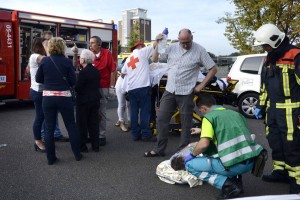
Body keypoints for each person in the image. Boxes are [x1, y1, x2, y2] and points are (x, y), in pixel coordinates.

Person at [144, 28, 218, 157]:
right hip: (170, 89)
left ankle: (182, 151)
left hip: (186, 91)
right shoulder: (172, 47)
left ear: (191, 39)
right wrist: (157, 43)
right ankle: (159, 149)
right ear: (178, 40)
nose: (184, 45)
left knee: (186, 122)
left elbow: (213, 69)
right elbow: (155, 59)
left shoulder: (199, 50)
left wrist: (201, 85)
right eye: (182, 42)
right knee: (161, 119)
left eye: (187, 42)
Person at [182, 94, 263, 199]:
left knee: (190, 165)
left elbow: (204, 145)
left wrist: (192, 155)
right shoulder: (235, 114)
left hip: (233, 165)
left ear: (203, 108)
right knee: (231, 153)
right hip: (250, 161)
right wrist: (202, 131)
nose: (201, 113)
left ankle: (229, 186)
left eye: (201, 111)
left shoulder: (209, 117)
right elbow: (228, 130)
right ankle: (237, 183)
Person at [253, 24, 300, 194]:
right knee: (275, 143)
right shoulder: (269, 59)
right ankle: (281, 172)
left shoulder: (295, 55)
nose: (264, 49)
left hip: (291, 111)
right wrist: (261, 105)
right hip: (272, 111)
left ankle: (297, 180)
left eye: (265, 45)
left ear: (276, 41)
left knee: (292, 146)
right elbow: (264, 86)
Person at [36, 37, 82, 165]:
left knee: (49, 128)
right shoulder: (66, 61)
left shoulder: (45, 61)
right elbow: (73, 81)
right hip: (64, 97)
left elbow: (38, 78)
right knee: (71, 126)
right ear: (62, 47)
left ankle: (51, 158)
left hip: (48, 98)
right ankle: (77, 154)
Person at [73, 36, 116, 146]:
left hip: (102, 86)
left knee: (101, 112)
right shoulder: (88, 54)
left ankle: (101, 136)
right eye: (90, 43)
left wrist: (111, 86)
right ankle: (90, 135)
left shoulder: (107, 54)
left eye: (92, 43)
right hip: (90, 88)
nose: (90, 45)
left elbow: (112, 70)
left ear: (99, 44)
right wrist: (75, 54)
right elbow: (76, 65)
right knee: (89, 113)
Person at [122, 41, 159, 141]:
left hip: (131, 89)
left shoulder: (129, 58)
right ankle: (146, 134)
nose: (144, 47)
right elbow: (155, 44)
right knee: (145, 112)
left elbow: (123, 72)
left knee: (134, 112)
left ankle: (135, 134)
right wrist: (160, 37)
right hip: (143, 87)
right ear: (140, 46)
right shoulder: (142, 52)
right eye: (143, 46)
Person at [41, 30, 69, 142]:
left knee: (53, 114)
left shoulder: (57, 56)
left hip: (53, 91)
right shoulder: (40, 56)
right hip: (46, 90)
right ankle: (44, 136)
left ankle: (56, 134)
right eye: (47, 40)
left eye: (51, 40)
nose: (49, 42)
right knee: (46, 116)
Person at [75, 49, 101, 152]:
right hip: (95, 99)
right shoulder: (96, 71)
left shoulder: (83, 72)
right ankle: (96, 146)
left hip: (84, 101)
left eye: (80, 57)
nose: (79, 59)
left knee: (82, 124)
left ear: (84, 59)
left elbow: (78, 87)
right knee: (93, 124)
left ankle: (82, 146)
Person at [29, 37, 47, 153]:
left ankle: (43, 138)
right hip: (37, 92)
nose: (48, 46)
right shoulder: (35, 56)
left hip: (42, 91)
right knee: (40, 116)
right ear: (40, 46)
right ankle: (37, 141)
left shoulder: (39, 57)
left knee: (44, 116)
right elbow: (49, 60)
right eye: (46, 44)